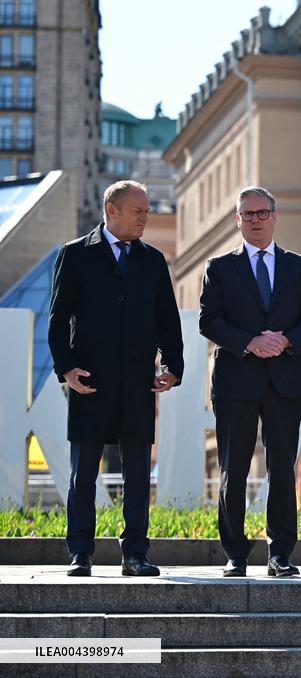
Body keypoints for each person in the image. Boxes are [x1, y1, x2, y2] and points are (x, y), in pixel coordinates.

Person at [48, 180, 184, 577]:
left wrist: (172, 367)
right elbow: (58, 320)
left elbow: (167, 321)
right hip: (90, 381)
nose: (146, 217)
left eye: (146, 211)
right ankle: (80, 553)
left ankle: (136, 554)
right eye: (138, 210)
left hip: (139, 384)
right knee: (83, 475)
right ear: (112, 209)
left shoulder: (153, 260)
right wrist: (66, 367)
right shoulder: (75, 255)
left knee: (138, 476)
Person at [199, 186, 301, 578]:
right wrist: (250, 342)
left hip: (285, 380)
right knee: (233, 470)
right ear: (238, 220)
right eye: (247, 214)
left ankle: (280, 554)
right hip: (236, 380)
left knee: (283, 470)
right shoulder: (219, 267)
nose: (255, 219)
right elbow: (209, 321)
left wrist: (285, 341)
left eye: (261, 212)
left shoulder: (299, 266)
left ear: (274, 216)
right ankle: (235, 553)